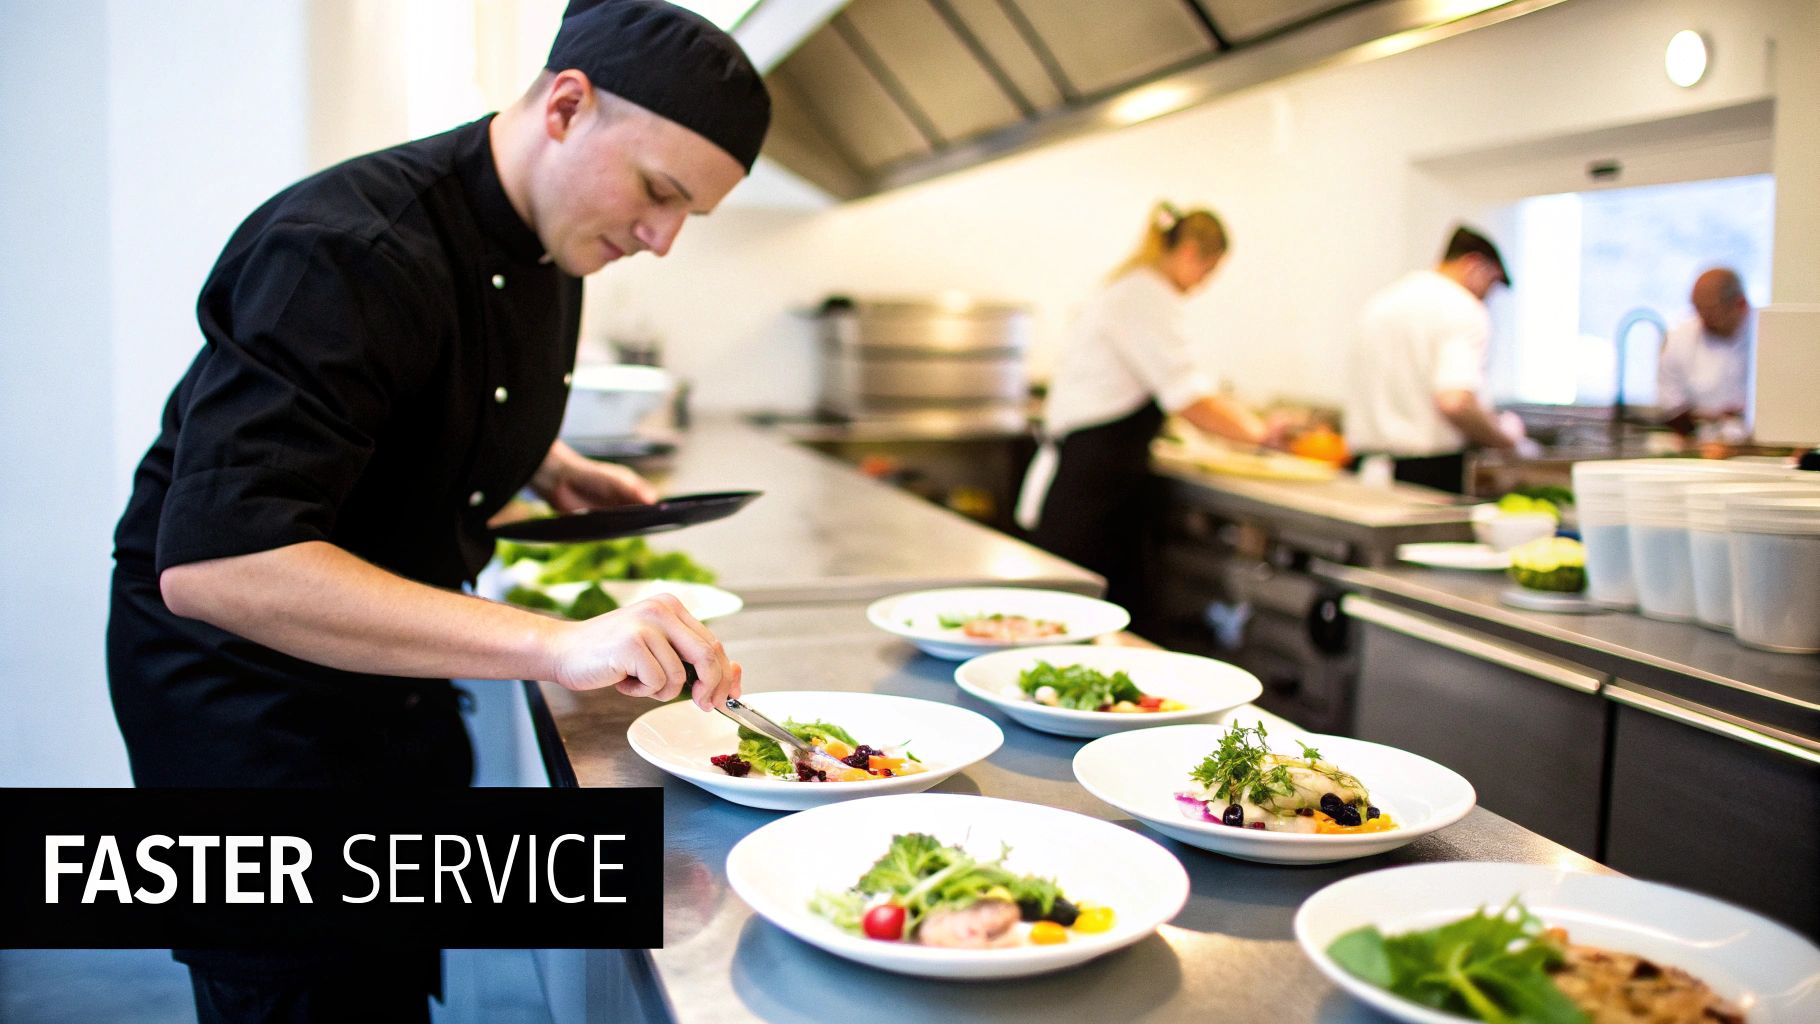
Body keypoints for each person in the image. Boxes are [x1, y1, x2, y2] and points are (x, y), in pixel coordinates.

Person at [105, 1, 769, 1020]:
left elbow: (410, 382)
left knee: (386, 972)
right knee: (301, 990)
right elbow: (219, 563)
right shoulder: (347, 247)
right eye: (656, 192)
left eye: (690, 216)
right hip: (257, 714)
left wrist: (545, 462)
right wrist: (557, 644)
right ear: (566, 105)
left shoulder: (551, 234)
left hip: (386, 681)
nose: (661, 238)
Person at [1016, 201, 1269, 611]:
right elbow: (1187, 397)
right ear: (1190, 253)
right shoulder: (1147, 294)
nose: (1204, 285)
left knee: (1089, 615)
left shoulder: (1130, 287)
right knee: (1083, 616)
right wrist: (1261, 435)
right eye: (1209, 271)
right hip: (1091, 489)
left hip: (1093, 480)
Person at [1343, 225, 1526, 493]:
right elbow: (1455, 401)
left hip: (1365, 470)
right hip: (1429, 475)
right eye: (1492, 283)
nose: (1488, 296)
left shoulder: (1382, 303)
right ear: (1473, 264)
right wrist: (1505, 437)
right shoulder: (1463, 307)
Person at [1658, 266, 1754, 437]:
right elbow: (1672, 405)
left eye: (1712, 311)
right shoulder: (1679, 340)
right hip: (1700, 442)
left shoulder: (1769, 335)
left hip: (1759, 442)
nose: (1704, 318)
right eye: (1698, 309)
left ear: (1741, 304)